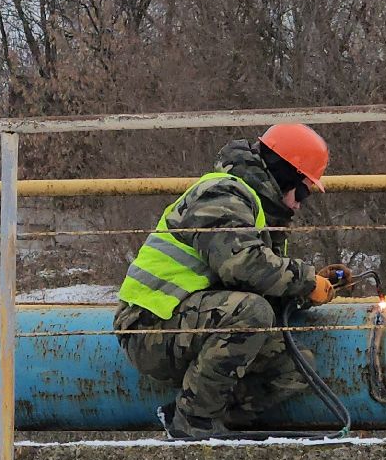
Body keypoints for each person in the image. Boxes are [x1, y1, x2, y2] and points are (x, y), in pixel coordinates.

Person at [114, 123, 350, 439]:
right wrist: (306, 281)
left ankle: (190, 411)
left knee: (295, 368)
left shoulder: (257, 214)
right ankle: (193, 424)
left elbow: (263, 285)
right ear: (284, 174)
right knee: (253, 313)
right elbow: (242, 266)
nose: (297, 204)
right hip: (151, 326)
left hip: (194, 323)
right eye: (302, 191)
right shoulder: (221, 193)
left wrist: (313, 289)